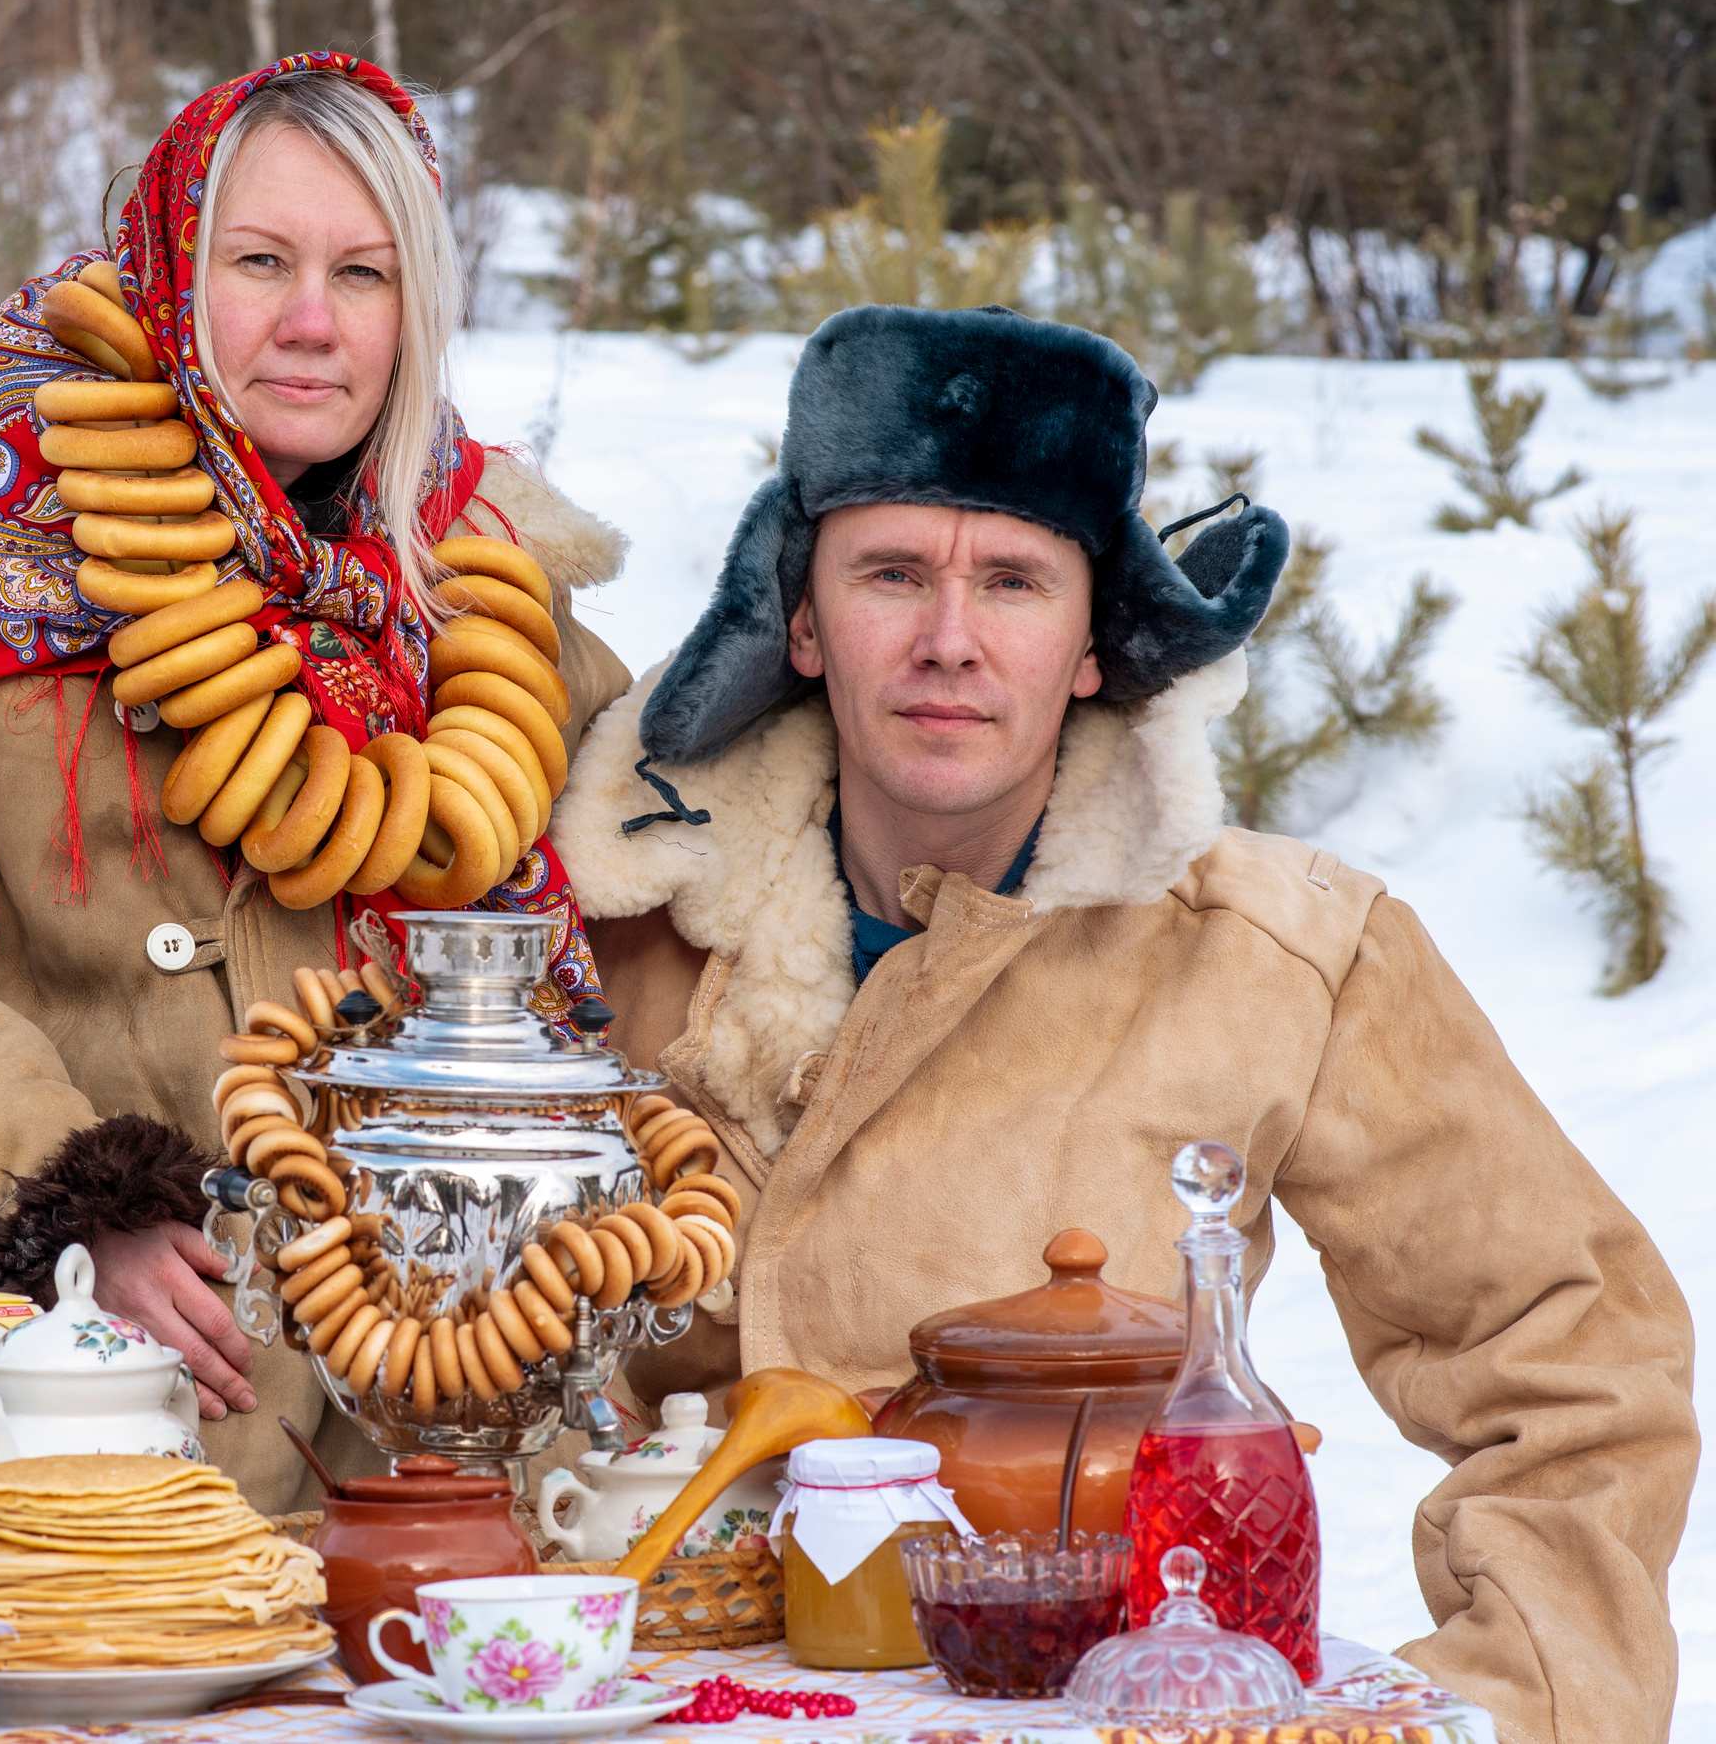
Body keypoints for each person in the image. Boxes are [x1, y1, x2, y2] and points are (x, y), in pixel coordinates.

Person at [550, 305, 1696, 1743]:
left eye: (1017, 580)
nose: (951, 640)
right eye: (891, 573)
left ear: (1097, 640)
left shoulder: (1280, 952)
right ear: (799, 619)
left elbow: (1573, 1357)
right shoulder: (599, 923)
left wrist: (1500, 1709)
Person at [0, 55, 630, 1516]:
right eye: (261, 262)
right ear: (172, 264)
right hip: (36, 1431)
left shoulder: (481, 583)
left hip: (420, 1465)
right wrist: (56, 1205)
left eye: (363, 273)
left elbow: (651, 886)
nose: (311, 320)